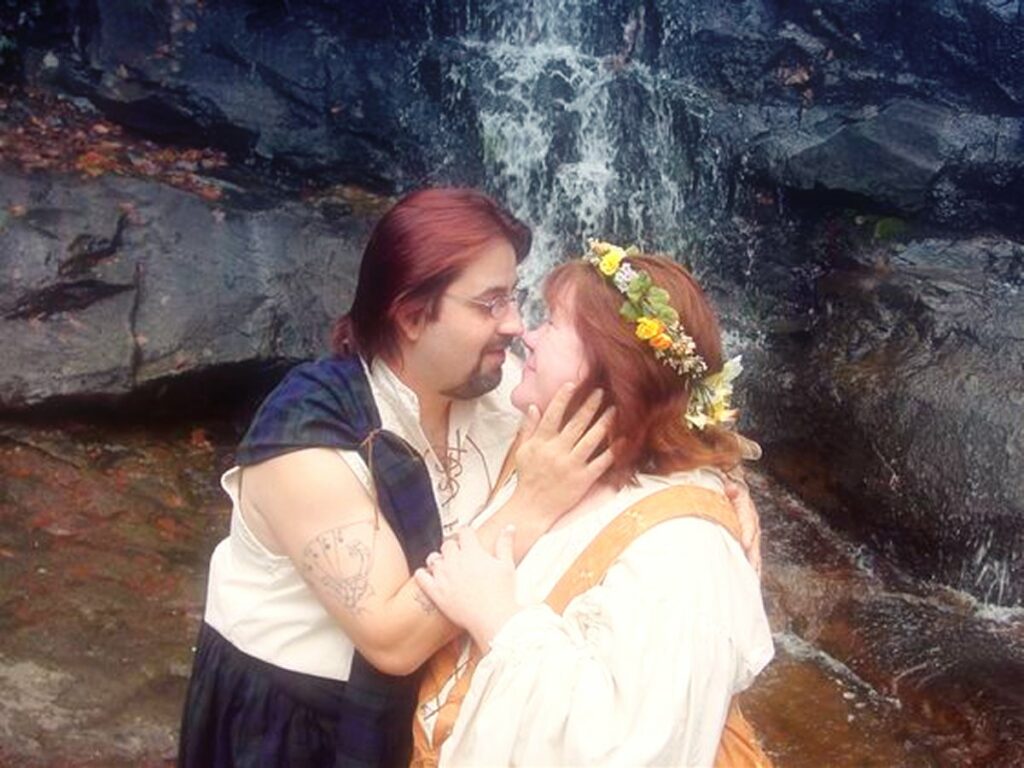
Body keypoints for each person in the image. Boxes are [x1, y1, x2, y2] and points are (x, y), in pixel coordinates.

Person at [177, 188, 617, 767]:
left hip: (429, 706)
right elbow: (391, 638)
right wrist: (530, 504)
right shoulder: (304, 444)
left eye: (513, 297)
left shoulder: (492, 385)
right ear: (411, 316)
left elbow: (632, 417)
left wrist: (718, 489)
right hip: (288, 725)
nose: (516, 325)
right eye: (489, 304)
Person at [413, 242, 775, 766]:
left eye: (553, 323)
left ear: (614, 366)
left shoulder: (686, 555)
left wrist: (499, 619)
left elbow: (631, 749)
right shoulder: (552, 445)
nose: (526, 336)